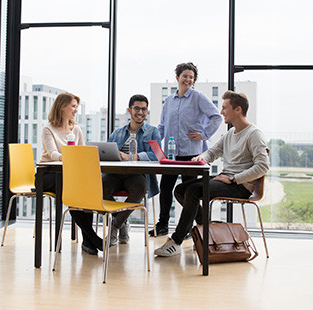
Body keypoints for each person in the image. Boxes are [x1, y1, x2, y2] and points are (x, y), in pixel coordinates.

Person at [154, 90, 270, 257]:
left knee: (193, 191)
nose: (221, 111)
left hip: (240, 186)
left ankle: (177, 241)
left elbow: (263, 166)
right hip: (225, 180)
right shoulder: (231, 133)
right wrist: (200, 157)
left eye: (224, 107)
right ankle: (206, 233)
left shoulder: (254, 134)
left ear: (237, 109)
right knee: (180, 190)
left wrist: (234, 178)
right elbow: (213, 152)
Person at [151, 62, 222, 237]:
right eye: (185, 76)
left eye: (191, 77)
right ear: (177, 77)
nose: (188, 79)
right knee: (166, 188)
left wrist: (204, 134)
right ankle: (162, 225)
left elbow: (216, 117)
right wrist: (152, 141)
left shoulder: (198, 97)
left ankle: (196, 226)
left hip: (192, 153)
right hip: (171, 154)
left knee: (189, 193)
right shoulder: (168, 100)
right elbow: (162, 126)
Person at [36, 92, 103, 255]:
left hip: (69, 176)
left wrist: (78, 160)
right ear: (62, 107)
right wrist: (72, 158)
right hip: (49, 175)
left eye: (76, 107)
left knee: (83, 189)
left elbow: (81, 153)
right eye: (73, 106)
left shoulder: (77, 129)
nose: (76, 110)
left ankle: (88, 241)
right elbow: (53, 155)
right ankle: (92, 238)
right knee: (73, 190)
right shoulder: (48, 129)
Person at [105, 94, 161, 246]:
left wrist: (134, 157)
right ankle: (122, 223)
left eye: (144, 109)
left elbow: (157, 155)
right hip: (115, 175)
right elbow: (105, 152)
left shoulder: (153, 132)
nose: (140, 112)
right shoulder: (117, 133)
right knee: (101, 186)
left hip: (137, 175)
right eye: (137, 108)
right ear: (129, 110)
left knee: (141, 188)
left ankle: (115, 225)